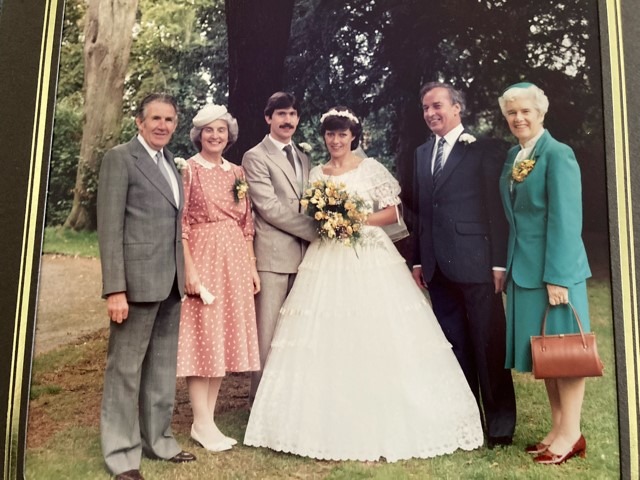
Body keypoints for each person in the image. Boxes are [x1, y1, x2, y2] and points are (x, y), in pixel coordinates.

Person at [244, 107, 484, 461]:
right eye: (330, 134)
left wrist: (355, 219)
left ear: (353, 136)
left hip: (368, 253)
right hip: (326, 255)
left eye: (342, 134)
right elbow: (311, 213)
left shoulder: (370, 168)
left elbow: (393, 212)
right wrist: (329, 220)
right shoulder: (315, 173)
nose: (336, 140)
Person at [410, 82, 517, 448]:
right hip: (438, 266)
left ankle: (500, 427)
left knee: (489, 344)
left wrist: (499, 263)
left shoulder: (483, 149)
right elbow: (421, 212)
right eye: (425, 108)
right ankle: (467, 421)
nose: (430, 113)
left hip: (477, 262)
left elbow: (496, 210)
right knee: (454, 345)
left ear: (457, 108)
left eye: (437, 105)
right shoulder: (422, 153)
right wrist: (420, 258)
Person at [97, 93, 195, 480]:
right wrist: (115, 289)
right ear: (139, 122)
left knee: (160, 367)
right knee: (124, 369)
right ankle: (122, 454)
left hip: (169, 282)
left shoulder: (171, 162)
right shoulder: (120, 158)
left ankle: (159, 441)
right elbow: (109, 229)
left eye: (169, 119)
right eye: (155, 118)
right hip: (135, 285)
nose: (162, 126)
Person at [498, 82, 592, 464]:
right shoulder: (516, 155)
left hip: (555, 274)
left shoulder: (558, 154)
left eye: (525, 111)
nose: (518, 118)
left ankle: (572, 434)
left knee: (567, 354)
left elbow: (567, 221)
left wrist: (558, 276)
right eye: (511, 113)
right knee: (546, 354)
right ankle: (557, 427)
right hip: (525, 271)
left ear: (541, 113)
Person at [176, 104, 261, 452]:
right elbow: (179, 224)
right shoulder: (188, 171)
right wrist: (190, 271)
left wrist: (252, 267)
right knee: (204, 338)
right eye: (209, 130)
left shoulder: (237, 172)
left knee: (222, 339)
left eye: (221, 130)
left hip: (235, 260)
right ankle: (201, 421)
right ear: (199, 135)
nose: (215, 136)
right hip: (203, 254)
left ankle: (206, 423)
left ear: (229, 135)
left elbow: (246, 224)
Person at [241, 92, 317, 401]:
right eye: (281, 114)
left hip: (305, 258)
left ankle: (288, 400)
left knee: (295, 332)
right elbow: (268, 207)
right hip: (272, 258)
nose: (288, 120)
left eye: (293, 114)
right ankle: (259, 402)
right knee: (267, 334)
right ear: (268, 118)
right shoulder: (255, 156)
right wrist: (318, 231)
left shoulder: (303, 156)